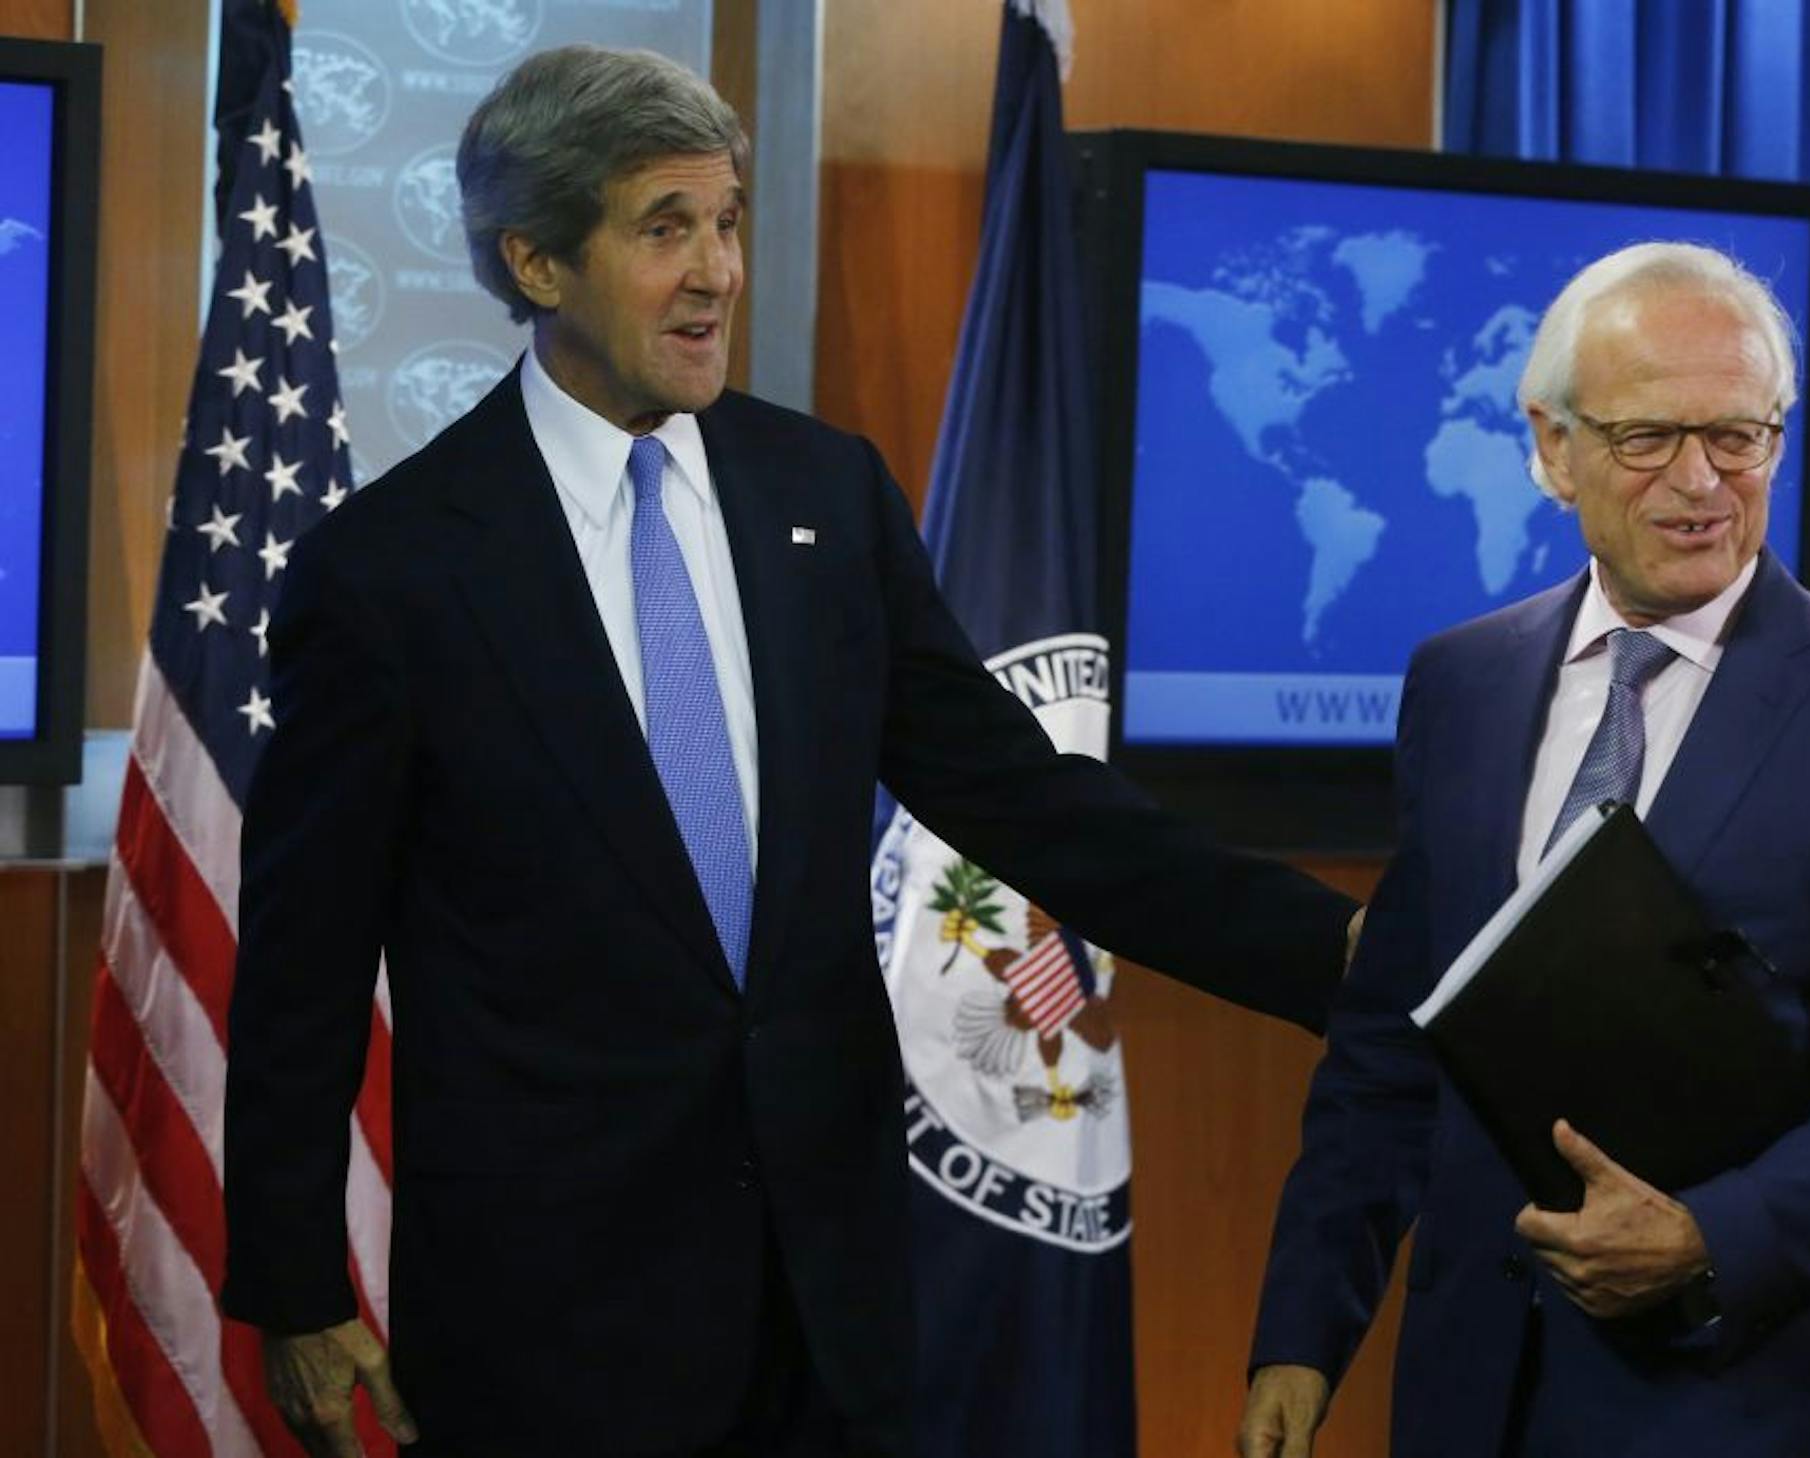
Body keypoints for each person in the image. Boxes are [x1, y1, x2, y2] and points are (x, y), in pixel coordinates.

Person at [219, 44, 1360, 1458]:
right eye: (663, 227)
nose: (716, 271)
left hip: (832, 1308)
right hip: (553, 1328)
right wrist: (293, 1287)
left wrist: (1343, 958)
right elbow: (300, 970)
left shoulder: (825, 496)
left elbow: (1032, 806)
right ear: (535, 261)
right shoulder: (388, 573)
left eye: (728, 219)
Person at [1237, 243, 1810, 1458]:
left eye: (1738, 437)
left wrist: (1706, 1239)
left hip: (1745, 1398)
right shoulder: (1460, 683)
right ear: (1551, 446)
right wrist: (1302, 1332)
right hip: (1473, 1394)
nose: (1700, 483)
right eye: (1649, 438)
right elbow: (1388, 1045)